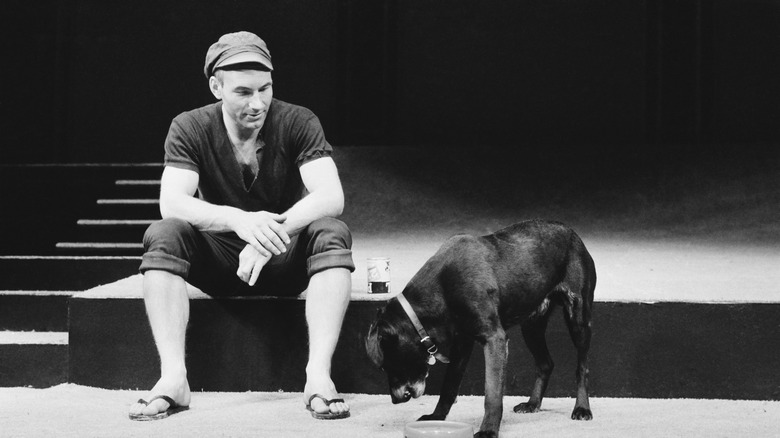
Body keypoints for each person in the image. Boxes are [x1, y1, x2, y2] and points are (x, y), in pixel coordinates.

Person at [128, 31, 354, 421]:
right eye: (243, 92)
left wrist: (268, 238)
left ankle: (318, 376)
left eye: (265, 89)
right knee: (163, 235)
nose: (258, 102)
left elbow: (330, 195)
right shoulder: (189, 126)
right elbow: (172, 203)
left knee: (331, 230)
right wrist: (239, 220)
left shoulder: (298, 120)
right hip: (220, 257)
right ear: (216, 86)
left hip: (282, 256)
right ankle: (173, 379)